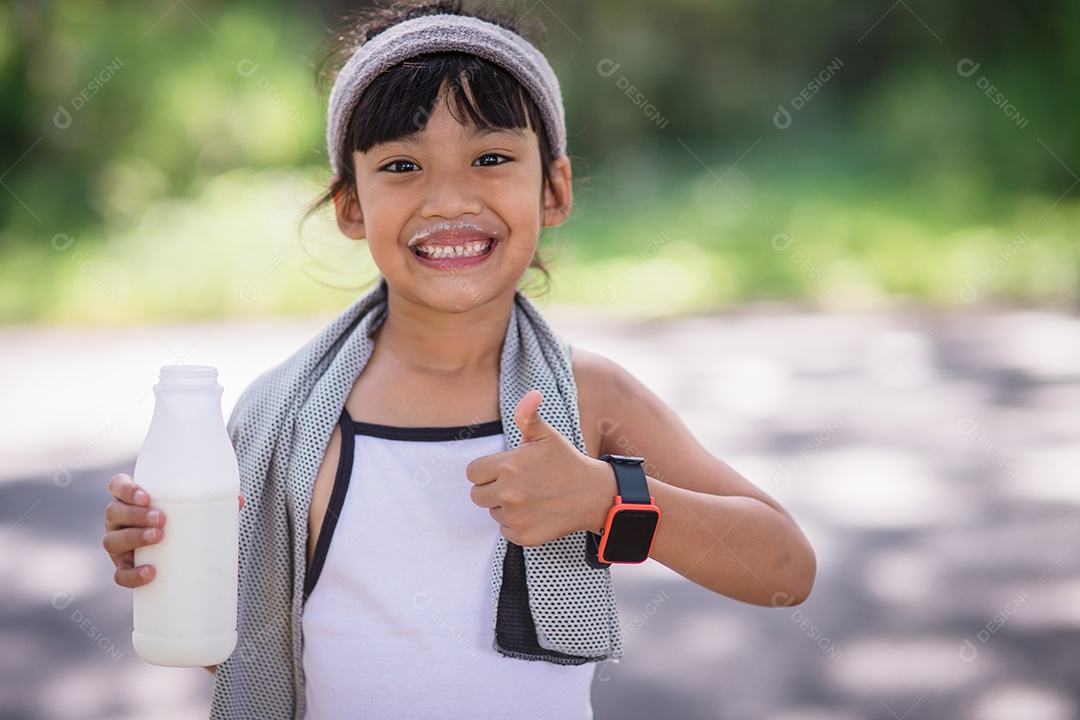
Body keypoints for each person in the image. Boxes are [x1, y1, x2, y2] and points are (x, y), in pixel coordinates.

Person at [103, 1, 816, 717]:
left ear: (554, 189)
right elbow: (236, 655)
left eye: (491, 158)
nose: (449, 198)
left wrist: (608, 498)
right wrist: (167, 567)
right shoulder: (281, 417)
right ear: (351, 206)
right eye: (402, 165)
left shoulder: (588, 396)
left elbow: (786, 569)